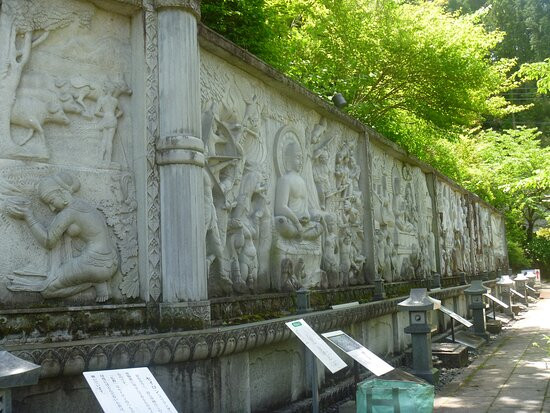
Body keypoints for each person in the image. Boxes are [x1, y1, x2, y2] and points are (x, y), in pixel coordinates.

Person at [6, 172, 119, 302]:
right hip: (112, 262)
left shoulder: (69, 213)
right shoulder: (83, 205)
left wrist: (28, 216)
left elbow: (48, 241)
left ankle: (95, 282)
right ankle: (98, 280)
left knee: (47, 291)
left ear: (61, 192)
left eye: (52, 201)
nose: (52, 208)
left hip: (95, 265)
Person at [274, 141, 322, 240]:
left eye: (301, 158)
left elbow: (305, 208)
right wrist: (296, 222)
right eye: (297, 158)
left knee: (320, 226)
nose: (300, 162)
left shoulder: (302, 182)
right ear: (288, 158)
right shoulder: (285, 180)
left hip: (304, 223)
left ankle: (301, 234)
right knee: (281, 222)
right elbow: (280, 207)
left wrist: (310, 216)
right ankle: (302, 234)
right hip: (291, 222)